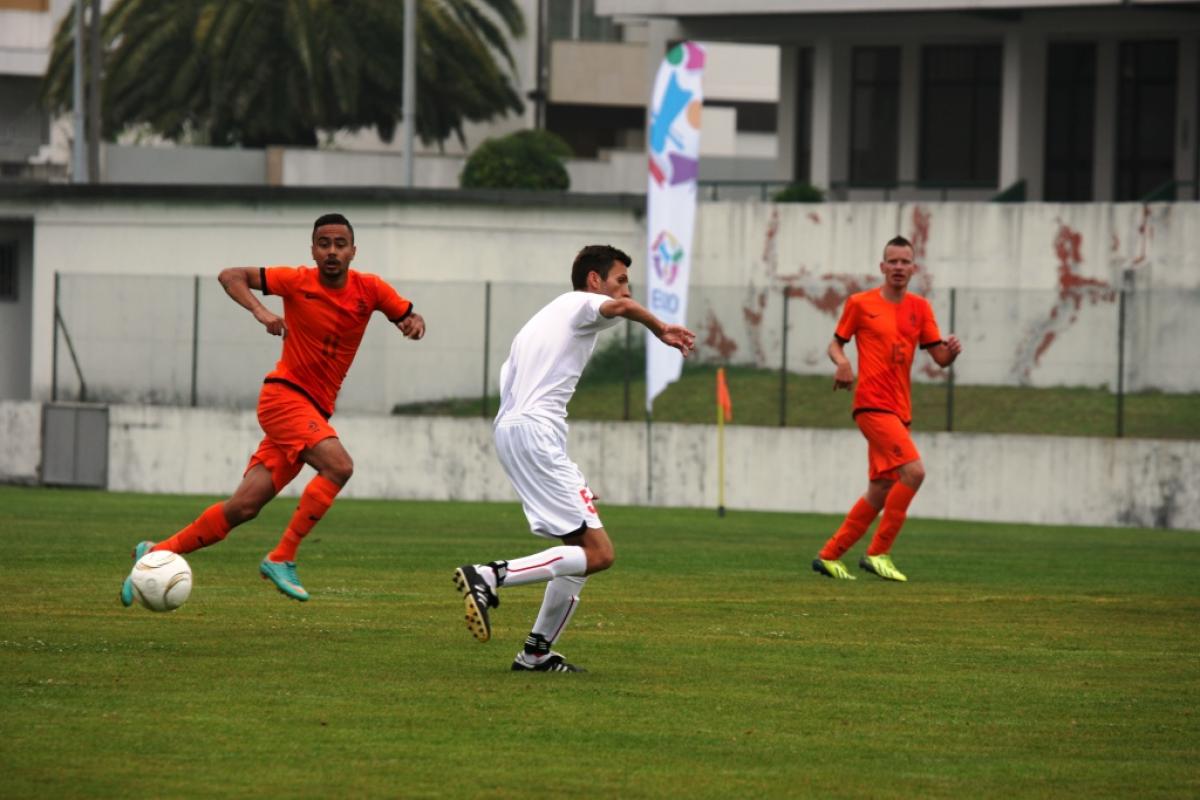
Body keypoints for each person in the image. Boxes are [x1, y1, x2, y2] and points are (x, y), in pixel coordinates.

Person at [120, 213, 426, 604]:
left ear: (353, 251)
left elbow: (407, 315)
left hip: (313, 411)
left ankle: (158, 551)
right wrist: (260, 311)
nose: (332, 251)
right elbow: (230, 275)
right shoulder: (295, 280)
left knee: (243, 507)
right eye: (324, 243)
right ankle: (282, 557)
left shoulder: (371, 289)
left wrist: (413, 323)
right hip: (285, 398)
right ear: (312, 250)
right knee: (339, 466)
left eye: (340, 244)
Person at [453, 245, 695, 672]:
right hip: (534, 433)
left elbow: (512, 383)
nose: (625, 290)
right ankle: (490, 576)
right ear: (595, 280)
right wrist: (659, 328)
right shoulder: (582, 303)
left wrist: (567, 479)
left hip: (513, 431)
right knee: (600, 554)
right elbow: (620, 308)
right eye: (619, 280)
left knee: (578, 551)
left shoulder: (539, 325)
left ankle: (536, 653)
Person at [813, 235, 962, 582]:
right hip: (872, 405)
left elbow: (938, 357)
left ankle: (830, 555)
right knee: (914, 473)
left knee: (881, 488)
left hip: (900, 410)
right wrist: (842, 363)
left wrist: (951, 352)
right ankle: (878, 552)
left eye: (904, 262)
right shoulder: (860, 303)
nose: (898, 267)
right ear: (882, 267)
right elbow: (835, 343)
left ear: (913, 268)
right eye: (892, 261)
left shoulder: (920, 309)